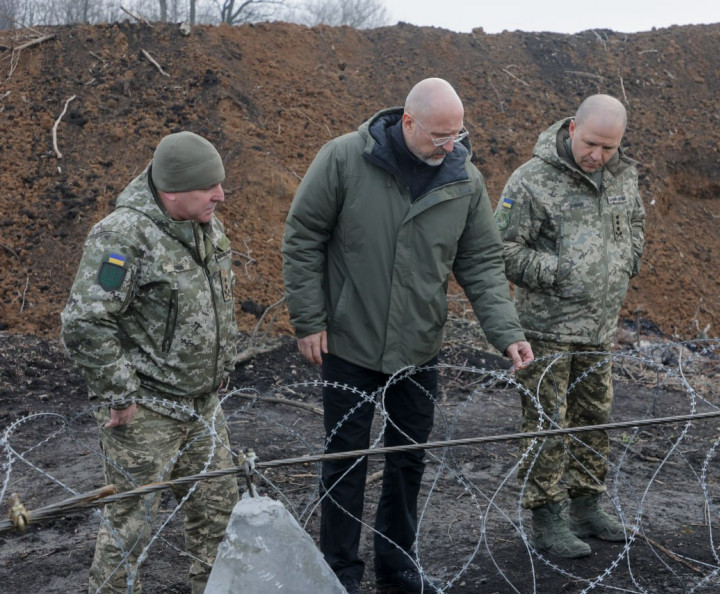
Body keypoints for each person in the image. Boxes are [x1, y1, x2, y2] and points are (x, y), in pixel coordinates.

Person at [282, 77, 534, 593]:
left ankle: (397, 567)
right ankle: (340, 572)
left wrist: (506, 331)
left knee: (407, 464)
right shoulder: (345, 159)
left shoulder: (464, 180)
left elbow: (482, 263)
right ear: (408, 122)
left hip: (418, 349)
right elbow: (303, 236)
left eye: (458, 135)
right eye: (440, 135)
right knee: (344, 465)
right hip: (349, 342)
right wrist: (309, 319)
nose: (450, 146)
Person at [61, 131, 240, 593]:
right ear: (172, 191)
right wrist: (119, 393)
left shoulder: (205, 224)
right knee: (130, 530)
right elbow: (86, 320)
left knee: (220, 517)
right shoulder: (122, 237)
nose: (220, 195)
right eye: (208, 188)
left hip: (202, 408)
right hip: (147, 413)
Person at [494, 95, 645, 558]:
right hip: (547, 329)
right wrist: (561, 272)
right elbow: (501, 249)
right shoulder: (532, 180)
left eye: (608, 147)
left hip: (600, 328)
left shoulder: (621, 176)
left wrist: (626, 260)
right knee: (546, 423)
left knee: (594, 418)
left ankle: (587, 505)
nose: (597, 155)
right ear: (573, 127)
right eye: (591, 144)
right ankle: (547, 516)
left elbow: (635, 223)